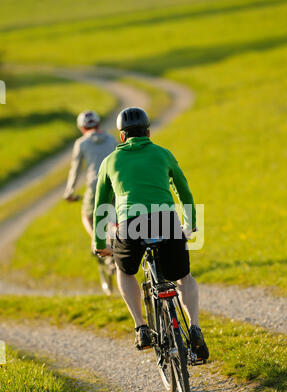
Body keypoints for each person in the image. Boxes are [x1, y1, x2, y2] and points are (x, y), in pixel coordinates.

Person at [93, 107, 209, 360]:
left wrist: (100, 243)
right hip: (164, 220)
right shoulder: (163, 154)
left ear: (122, 137)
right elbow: (183, 192)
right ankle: (196, 328)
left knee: (125, 272)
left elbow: (101, 205)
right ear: (148, 132)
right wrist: (190, 224)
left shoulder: (110, 162)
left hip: (129, 224)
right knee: (183, 277)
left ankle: (141, 327)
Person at [64, 110, 117, 243]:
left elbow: (75, 169)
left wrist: (69, 191)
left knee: (87, 215)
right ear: (98, 124)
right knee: (113, 217)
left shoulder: (81, 143)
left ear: (82, 128)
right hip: (114, 183)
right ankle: (113, 244)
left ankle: (98, 242)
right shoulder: (112, 139)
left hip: (95, 185)